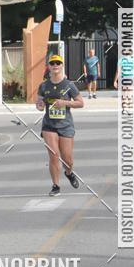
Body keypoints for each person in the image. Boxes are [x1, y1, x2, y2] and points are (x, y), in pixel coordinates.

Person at [36, 54, 84, 195]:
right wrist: (40, 105)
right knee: (54, 155)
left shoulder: (69, 85)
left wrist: (65, 103)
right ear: (49, 67)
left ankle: (69, 173)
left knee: (67, 159)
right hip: (49, 126)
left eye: (58, 63)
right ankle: (55, 186)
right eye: (52, 63)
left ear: (62, 66)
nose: (55, 65)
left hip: (66, 125)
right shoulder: (44, 86)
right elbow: (39, 104)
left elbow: (80, 103)